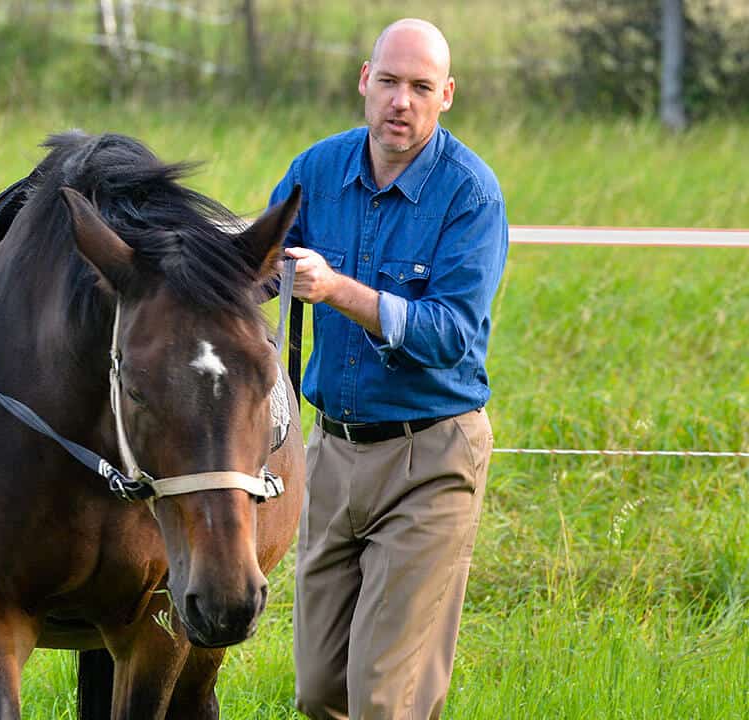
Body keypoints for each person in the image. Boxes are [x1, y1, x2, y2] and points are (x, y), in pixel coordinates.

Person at [268, 18, 509, 720]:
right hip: (331, 454)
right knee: (319, 692)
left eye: (421, 87)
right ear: (364, 82)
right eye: (391, 82)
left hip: (429, 457)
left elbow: (452, 337)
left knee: (383, 697)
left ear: (447, 96)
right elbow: (259, 266)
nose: (402, 101)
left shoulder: (471, 194)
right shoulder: (317, 170)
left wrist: (338, 289)